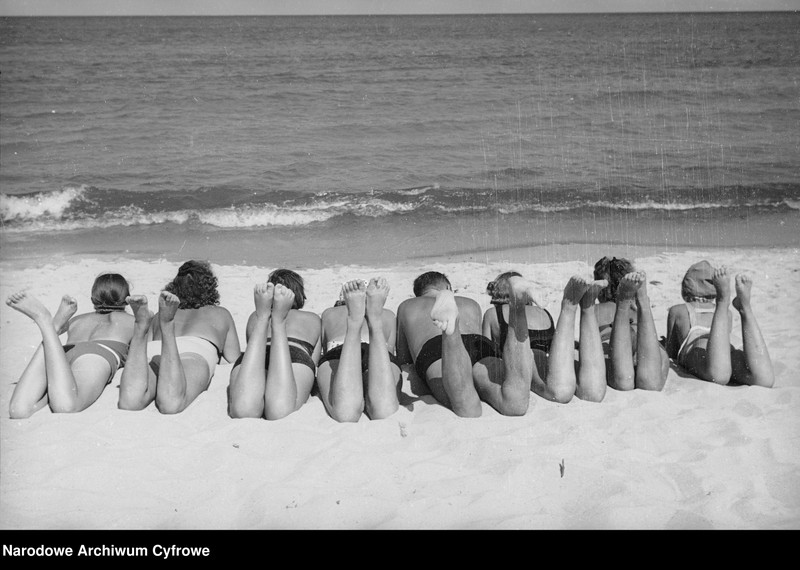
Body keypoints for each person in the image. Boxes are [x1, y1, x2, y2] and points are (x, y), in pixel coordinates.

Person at [395, 271, 533, 417]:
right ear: (448, 287)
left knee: (467, 406)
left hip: (436, 349)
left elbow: (404, 357)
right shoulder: (470, 303)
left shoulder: (407, 306)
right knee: (514, 404)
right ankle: (517, 307)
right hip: (478, 343)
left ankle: (450, 331)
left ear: (419, 293)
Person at [118, 260, 241, 414]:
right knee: (171, 403)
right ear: (210, 287)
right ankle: (168, 326)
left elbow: (143, 355)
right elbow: (233, 359)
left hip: (156, 350)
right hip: (195, 352)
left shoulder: (157, 316)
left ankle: (141, 328)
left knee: (131, 401)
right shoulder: (221, 314)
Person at [8, 273, 135, 418]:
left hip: (62, 353)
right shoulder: (133, 321)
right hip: (97, 354)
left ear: (93, 298)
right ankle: (44, 320)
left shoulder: (77, 320)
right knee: (67, 406)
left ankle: (52, 327)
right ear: (126, 298)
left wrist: (59, 327)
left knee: (19, 411)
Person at [228, 269, 321, 420]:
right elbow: (314, 361)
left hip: (260, 349)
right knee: (280, 411)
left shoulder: (254, 316)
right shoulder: (312, 318)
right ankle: (279, 322)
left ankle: (267, 318)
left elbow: (252, 347)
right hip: (294, 353)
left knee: (244, 411)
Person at [665, 261, 774, 387]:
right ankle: (745, 309)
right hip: (725, 346)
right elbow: (721, 337)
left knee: (718, 375)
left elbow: (671, 352)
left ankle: (722, 301)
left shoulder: (679, 310)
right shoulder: (726, 314)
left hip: (699, 344)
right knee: (763, 380)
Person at [315, 278, 401, 422]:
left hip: (339, 348)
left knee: (346, 414)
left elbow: (323, 346)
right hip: (378, 348)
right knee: (384, 411)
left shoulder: (329, 313)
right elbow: (394, 352)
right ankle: (375, 321)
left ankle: (354, 323)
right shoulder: (389, 314)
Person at [593, 256, 669, 391]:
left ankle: (622, 303)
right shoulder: (635, 310)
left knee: (623, 382)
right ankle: (643, 300)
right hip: (649, 347)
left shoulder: (599, 309)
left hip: (615, 346)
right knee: (651, 384)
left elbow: (589, 342)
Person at [537, 275, 609, 403]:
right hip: (548, 350)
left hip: (541, 353)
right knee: (593, 393)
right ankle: (586, 307)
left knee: (588, 394)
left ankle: (572, 307)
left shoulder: (493, 314)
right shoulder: (540, 313)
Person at [482, 270, 555, 376]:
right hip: (547, 370)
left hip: (517, 372)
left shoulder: (492, 314)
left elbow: (487, 351)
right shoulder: (543, 312)